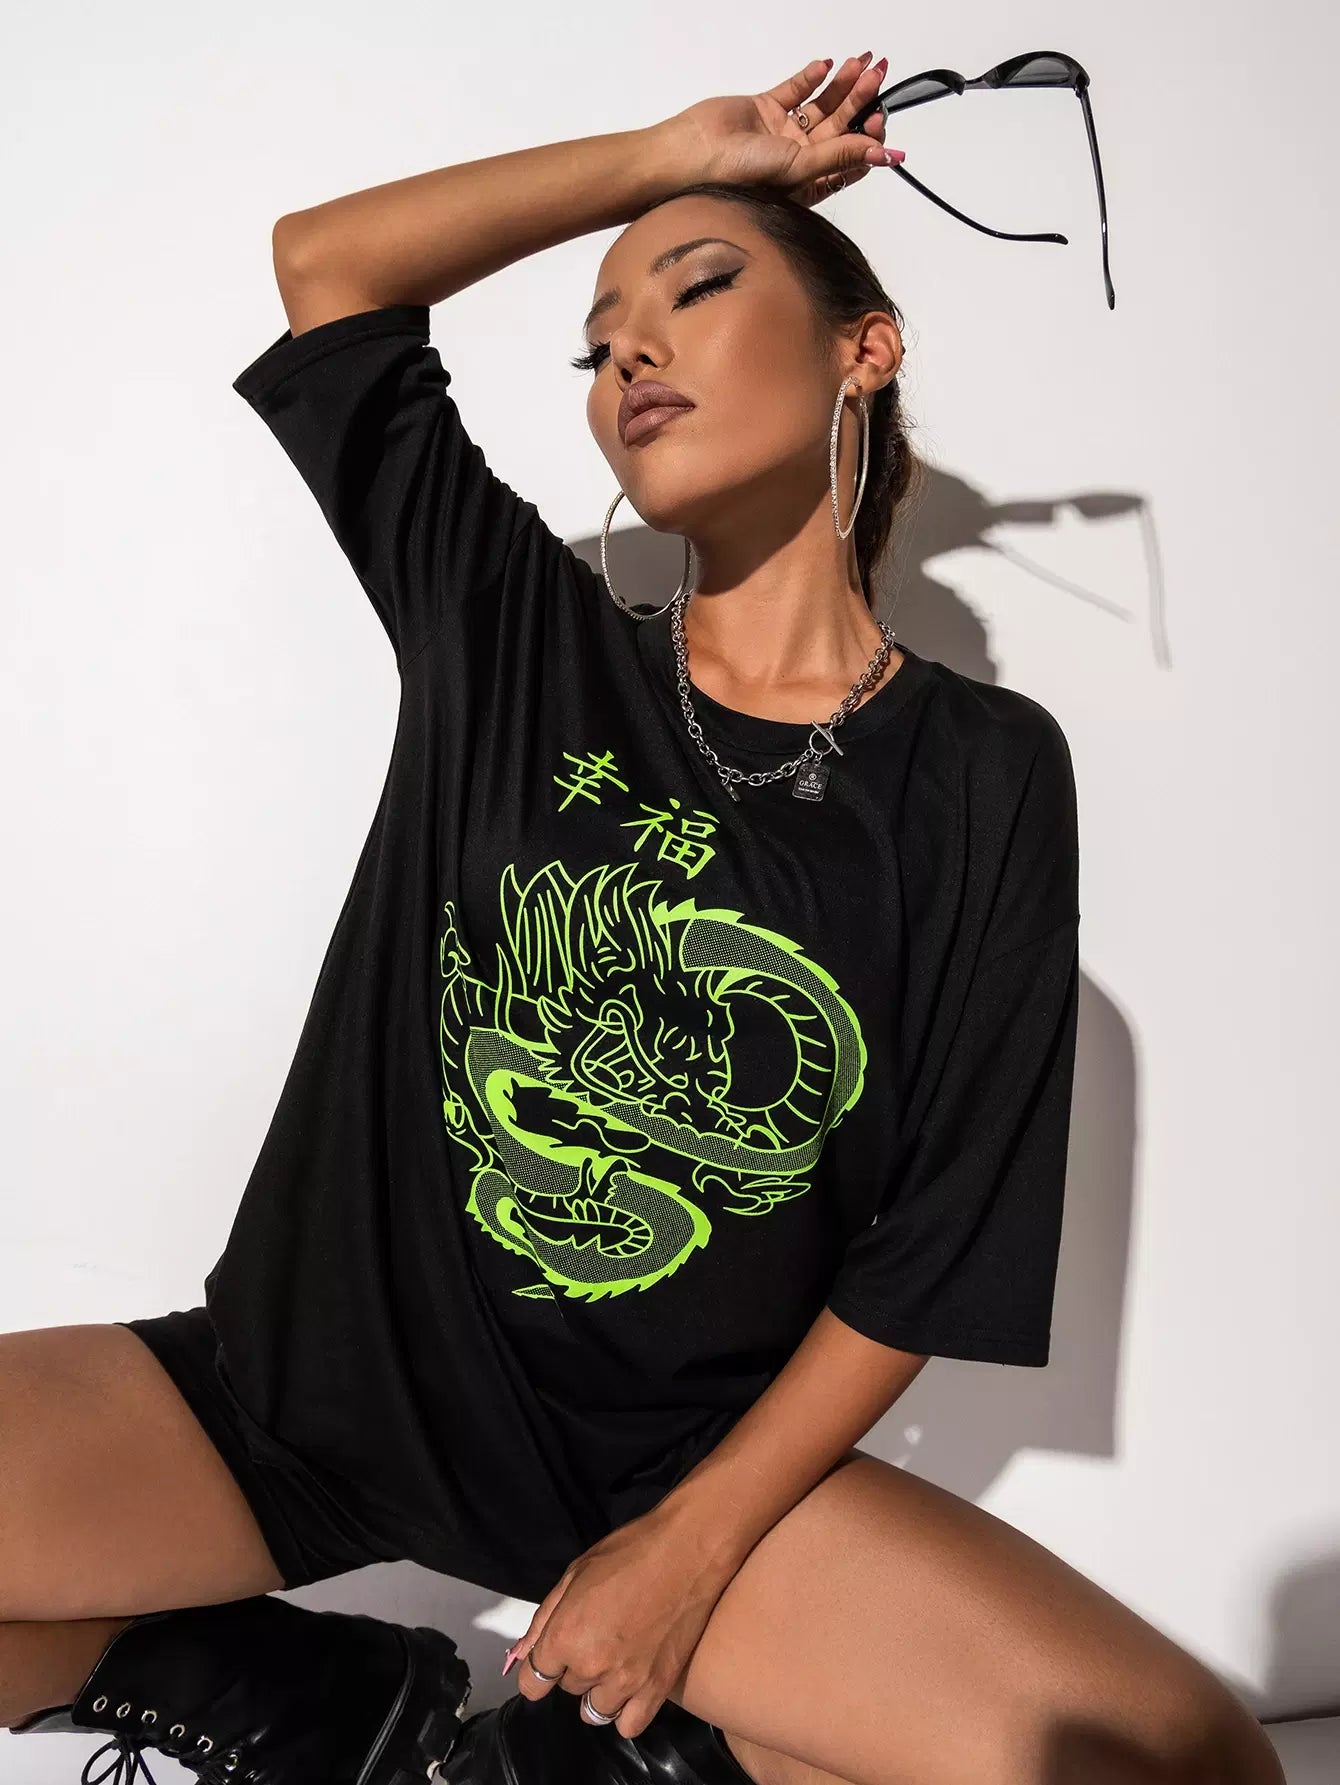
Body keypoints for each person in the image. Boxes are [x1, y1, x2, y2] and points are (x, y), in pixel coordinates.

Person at [3, 50, 1284, 1785]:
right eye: (598, 343)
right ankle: (315, 1707)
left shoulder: (982, 769)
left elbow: (933, 1242)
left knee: (1177, 1760)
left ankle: (598, 1761)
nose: (629, 357)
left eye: (697, 288)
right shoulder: (512, 626)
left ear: (864, 348)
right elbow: (330, 269)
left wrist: (685, 1554)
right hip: (301, 1398)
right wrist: (673, 155)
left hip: (684, 1464)